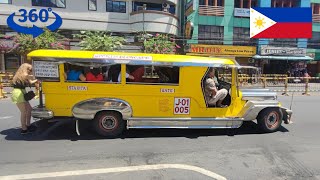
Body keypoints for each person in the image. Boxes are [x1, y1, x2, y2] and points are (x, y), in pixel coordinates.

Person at [11, 63, 38, 134]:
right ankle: (24, 129)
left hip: (22, 92)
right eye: (29, 69)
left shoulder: (23, 75)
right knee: (24, 111)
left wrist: (37, 80)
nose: (30, 70)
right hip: (18, 93)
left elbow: (31, 81)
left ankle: (28, 125)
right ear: (25, 69)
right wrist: (37, 76)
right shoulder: (22, 75)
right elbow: (29, 77)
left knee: (29, 109)